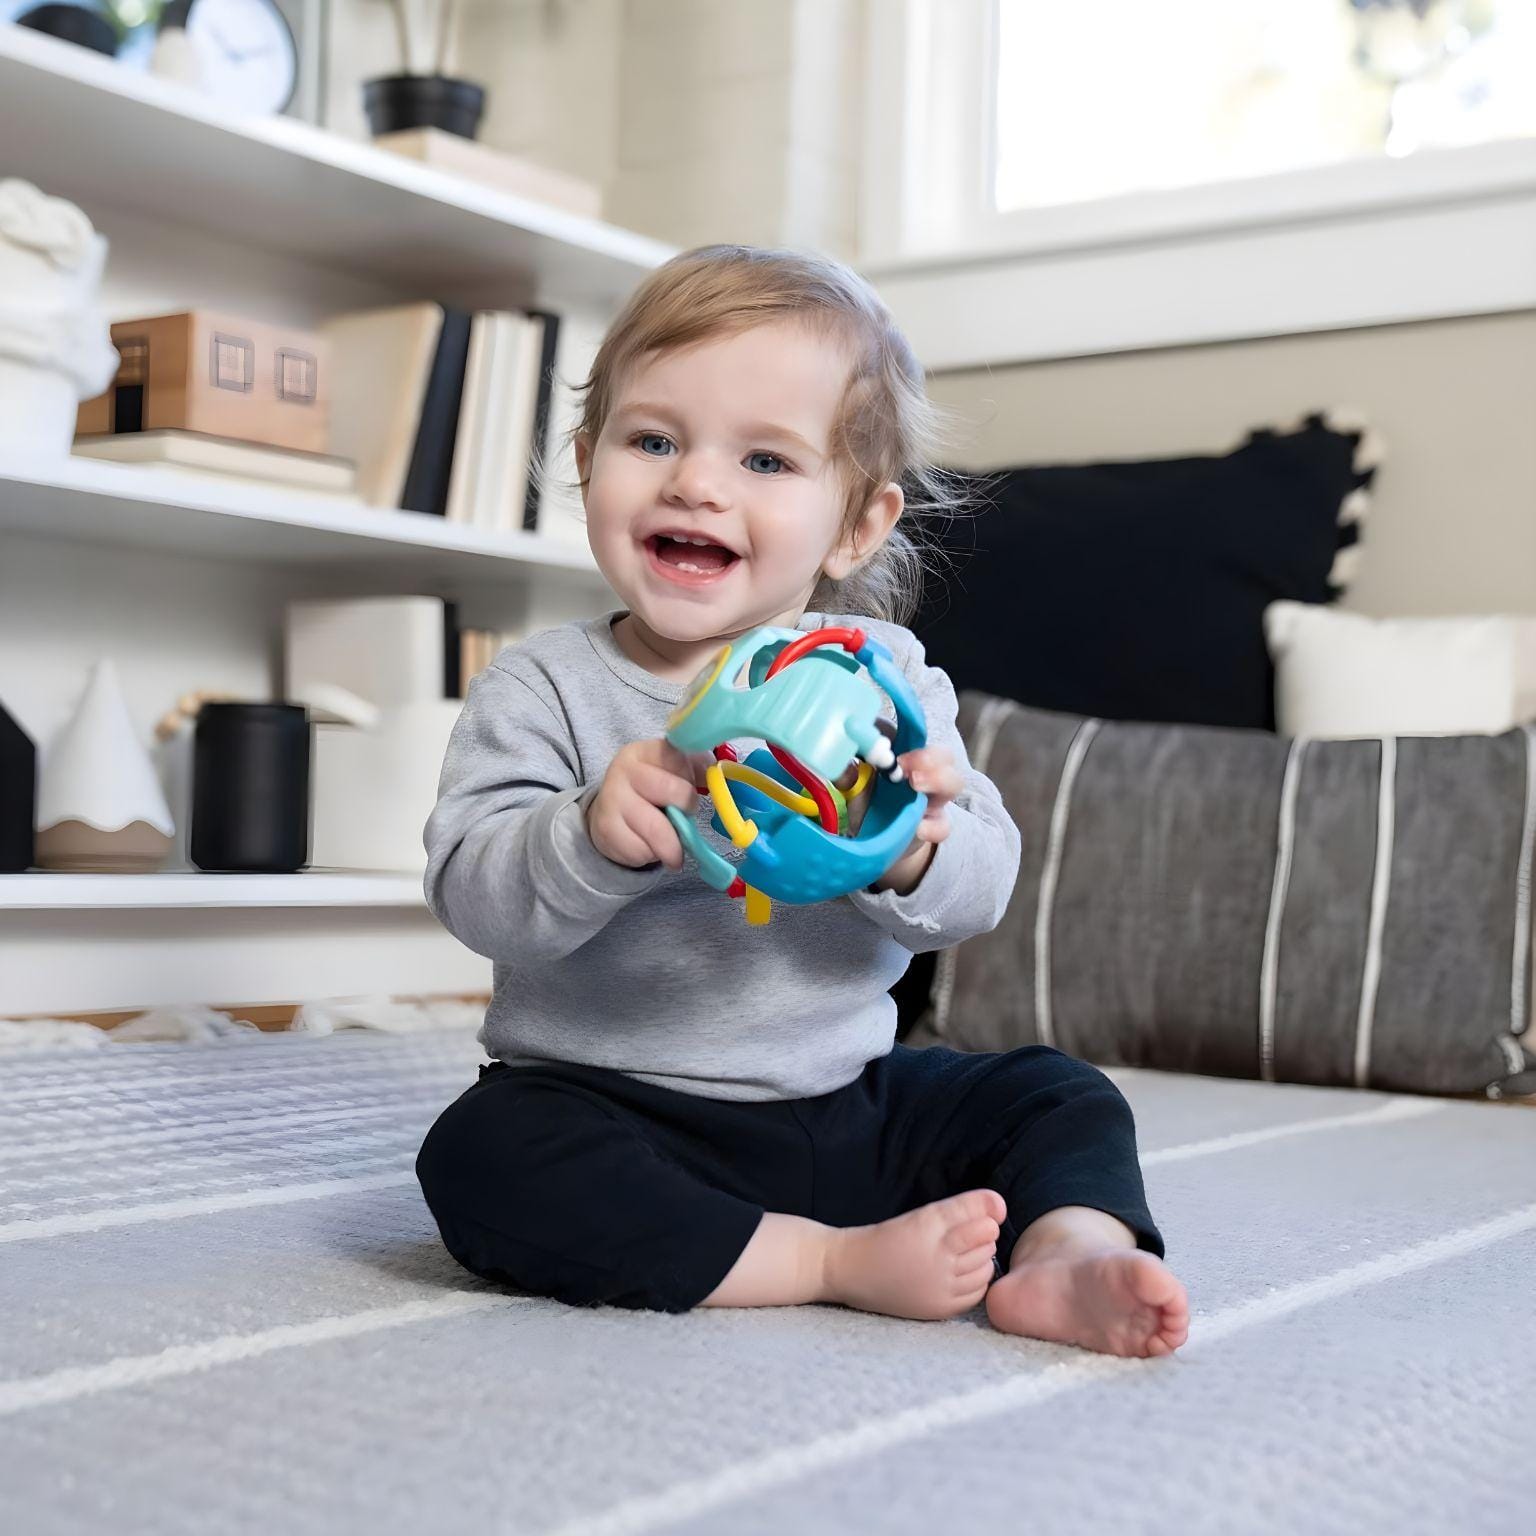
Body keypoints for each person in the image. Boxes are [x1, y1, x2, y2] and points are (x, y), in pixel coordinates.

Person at [416, 245, 1190, 1357]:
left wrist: (909, 846)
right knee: (480, 1158)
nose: (697, 483)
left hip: (844, 1103)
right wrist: (586, 836)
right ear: (589, 466)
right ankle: (819, 1260)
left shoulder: (882, 677)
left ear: (856, 526)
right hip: (614, 1104)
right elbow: (471, 894)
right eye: (652, 440)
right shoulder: (542, 686)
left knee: (1055, 1093)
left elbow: (978, 885)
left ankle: (1065, 1249)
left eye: (766, 460)